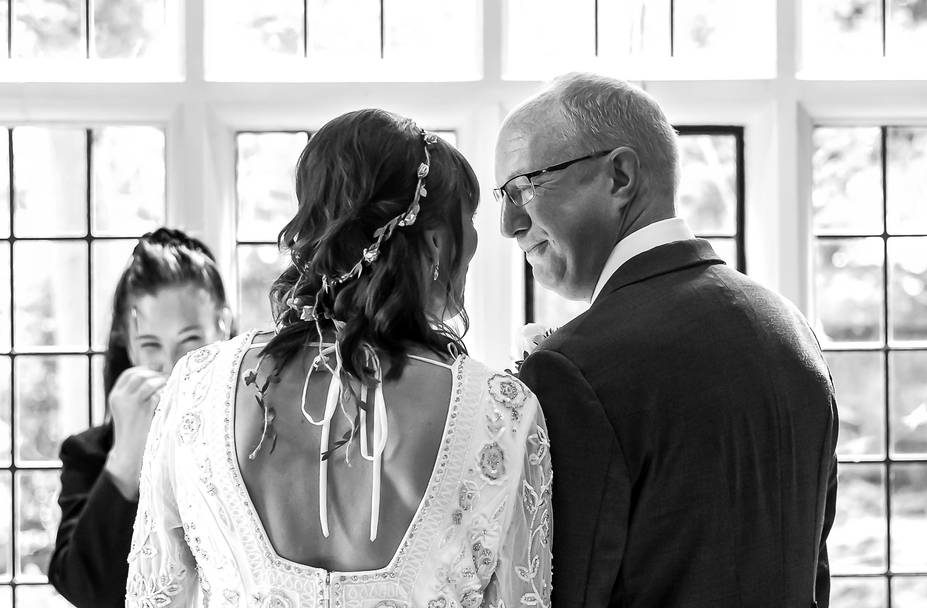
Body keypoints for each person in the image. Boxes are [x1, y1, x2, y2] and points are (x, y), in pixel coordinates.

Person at [125, 109, 553, 607]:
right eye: (471, 219)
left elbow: (154, 598)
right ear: (437, 241)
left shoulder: (196, 387)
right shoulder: (503, 413)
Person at [495, 73, 838, 608]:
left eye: (524, 186)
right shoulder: (790, 329)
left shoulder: (575, 367)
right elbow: (812, 570)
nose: (508, 223)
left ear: (621, 175)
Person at [49, 228, 233, 608]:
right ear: (128, 344)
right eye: (151, 345)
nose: (172, 365)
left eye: (190, 340)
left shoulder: (259, 436)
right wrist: (126, 456)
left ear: (224, 326)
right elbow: (86, 591)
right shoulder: (89, 453)